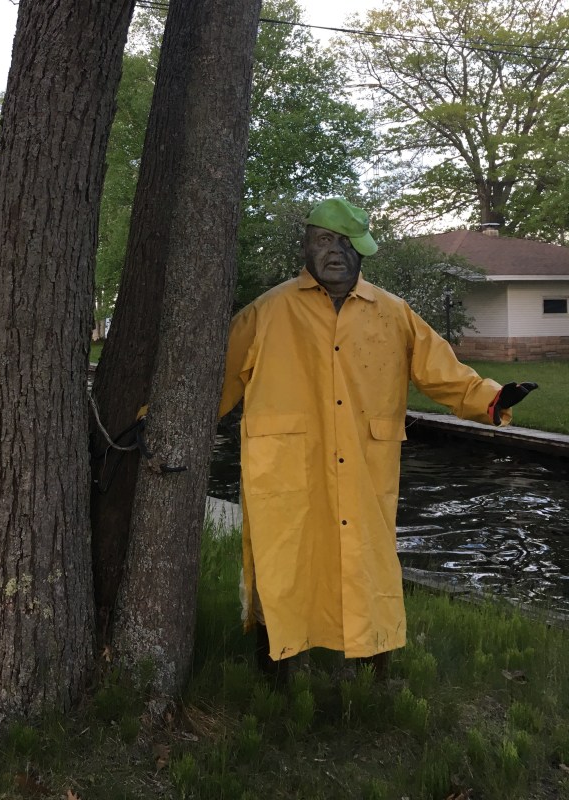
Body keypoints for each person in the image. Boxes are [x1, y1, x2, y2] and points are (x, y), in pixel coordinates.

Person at [218, 197, 536, 678]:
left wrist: (493, 398)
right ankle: (277, 674)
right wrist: (157, 421)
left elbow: (442, 373)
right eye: (325, 240)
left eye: (347, 243)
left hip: (366, 468)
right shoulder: (269, 311)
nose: (336, 252)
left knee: (365, 565)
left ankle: (371, 671)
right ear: (305, 245)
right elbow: (214, 380)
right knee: (285, 566)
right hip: (285, 470)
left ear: (362, 252)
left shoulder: (393, 313)